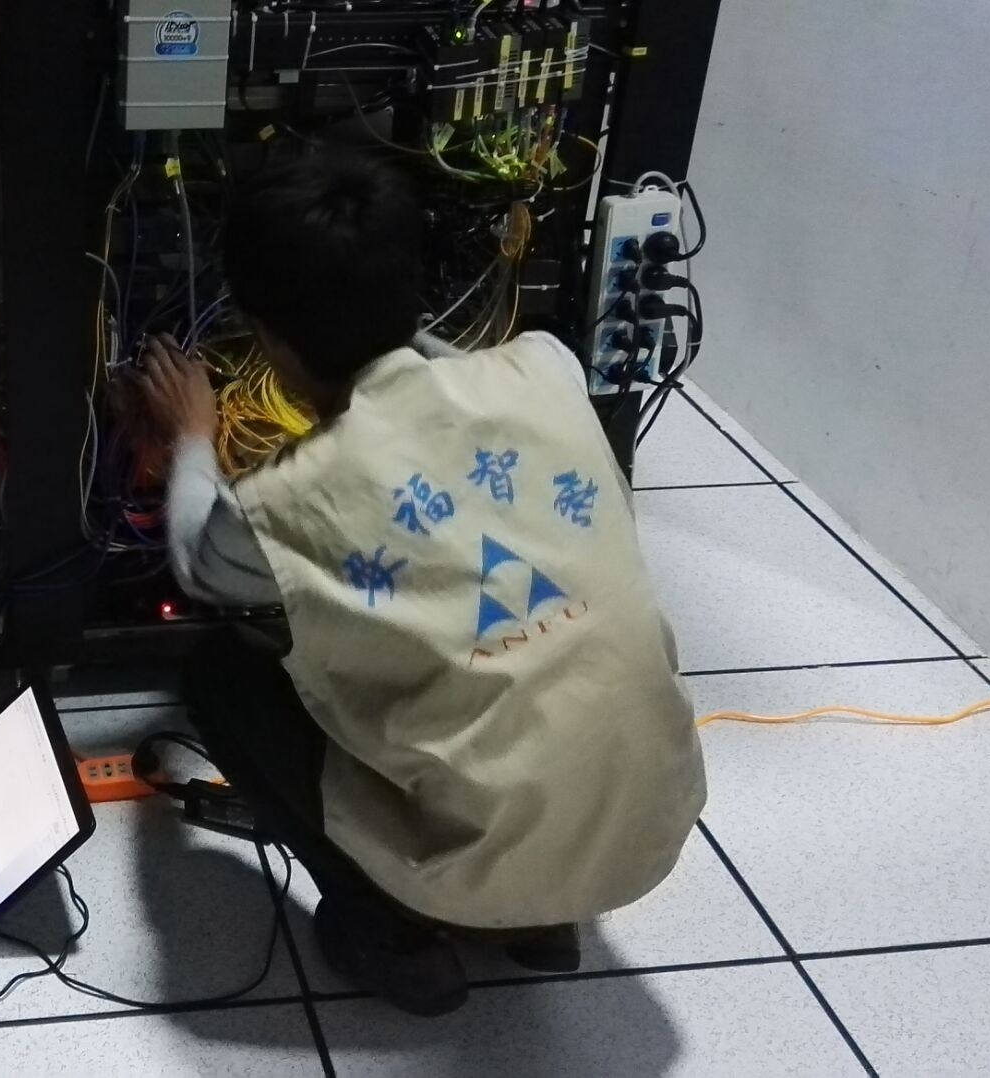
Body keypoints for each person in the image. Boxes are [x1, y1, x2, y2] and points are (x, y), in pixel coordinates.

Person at [135, 153, 707, 1017]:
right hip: (655, 833)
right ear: (416, 284)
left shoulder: (281, 502)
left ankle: (394, 932)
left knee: (224, 673)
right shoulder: (547, 366)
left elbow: (197, 565)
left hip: (477, 874)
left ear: (266, 337)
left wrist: (191, 432)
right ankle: (541, 927)